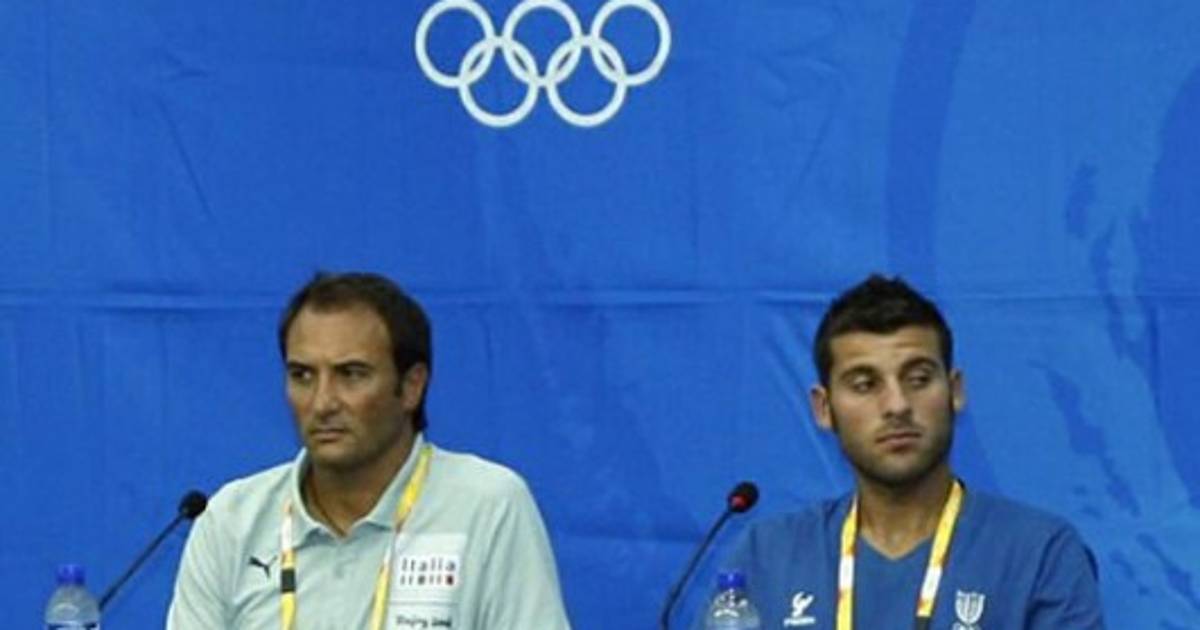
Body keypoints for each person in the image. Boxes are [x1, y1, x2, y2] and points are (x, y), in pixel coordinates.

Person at [168, 271, 572, 629]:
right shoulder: (231, 522)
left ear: (411, 386)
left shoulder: (486, 506)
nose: (323, 402)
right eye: (302, 375)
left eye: (351, 374)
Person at [706, 275, 1104, 629]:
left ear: (955, 391)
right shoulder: (766, 557)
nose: (897, 405)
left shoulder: (1039, 555)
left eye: (918, 378)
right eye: (865, 384)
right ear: (824, 408)